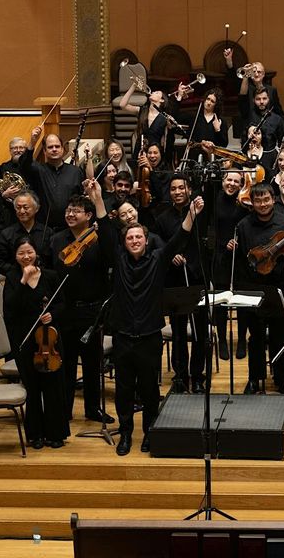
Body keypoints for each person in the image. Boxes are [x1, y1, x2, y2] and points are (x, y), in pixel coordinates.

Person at [86, 179, 202, 455]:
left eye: (139, 237)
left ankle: (149, 431)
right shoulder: (118, 258)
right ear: (124, 242)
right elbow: (104, 228)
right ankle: (126, 433)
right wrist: (98, 198)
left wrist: (191, 214)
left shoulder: (158, 259)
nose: (135, 241)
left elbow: (179, 239)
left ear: (146, 240)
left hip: (150, 336)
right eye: (130, 238)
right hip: (124, 336)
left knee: (150, 390)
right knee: (124, 390)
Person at [47, 194, 112, 425]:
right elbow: (50, 271)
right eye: (68, 210)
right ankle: (64, 410)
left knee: (92, 362)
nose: (70, 214)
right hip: (65, 310)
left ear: (89, 215)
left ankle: (93, 408)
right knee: (66, 362)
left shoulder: (98, 239)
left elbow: (110, 262)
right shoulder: (56, 239)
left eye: (76, 211)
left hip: (91, 310)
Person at [235, 183, 284, 395]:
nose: (263, 204)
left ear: (273, 199)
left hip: (278, 287)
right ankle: (254, 379)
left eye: (266, 199)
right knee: (255, 338)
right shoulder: (243, 226)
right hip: (253, 287)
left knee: (279, 336)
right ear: (252, 202)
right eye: (258, 200)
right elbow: (242, 259)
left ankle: (282, 380)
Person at [4, 237, 68, 448]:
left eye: (29, 252)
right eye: (21, 253)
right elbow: (10, 309)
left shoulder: (50, 276)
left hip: (49, 339)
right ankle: (35, 434)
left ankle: (55, 434)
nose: (26, 256)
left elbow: (61, 304)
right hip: (24, 339)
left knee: (52, 386)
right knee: (32, 388)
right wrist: (23, 281)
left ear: (36, 253)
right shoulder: (12, 278)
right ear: (15, 256)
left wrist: (52, 314)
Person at [154, 175, 208, 394]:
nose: (177, 192)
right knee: (178, 331)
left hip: (197, 277)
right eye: (173, 189)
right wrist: (172, 256)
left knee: (200, 331)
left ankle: (198, 376)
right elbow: (161, 245)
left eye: (181, 188)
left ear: (189, 190)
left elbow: (203, 243)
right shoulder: (162, 217)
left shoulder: (200, 212)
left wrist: (191, 261)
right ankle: (181, 376)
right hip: (174, 279)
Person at [206, 169, 249, 360]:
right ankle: (222, 340)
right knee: (221, 301)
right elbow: (212, 228)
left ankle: (242, 340)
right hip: (220, 255)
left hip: (240, 256)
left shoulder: (244, 201)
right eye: (228, 180)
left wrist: (238, 241)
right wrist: (224, 245)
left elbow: (248, 225)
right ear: (223, 180)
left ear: (241, 185)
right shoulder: (215, 199)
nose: (231, 184)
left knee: (242, 300)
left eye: (236, 181)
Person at [21, 125, 85, 228]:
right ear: (44, 151)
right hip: (44, 228)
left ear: (63, 149)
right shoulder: (37, 170)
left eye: (57, 146)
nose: (54, 149)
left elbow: (81, 198)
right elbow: (23, 164)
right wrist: (32, 142)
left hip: (70, 226)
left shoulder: (75, 172)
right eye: (50, 147)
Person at [0, 189, 55, 279]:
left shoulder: (48, 232)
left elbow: (52, 261)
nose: (22, 211)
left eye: (26, 207)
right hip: (15, 280)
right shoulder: (6, 234)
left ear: (37, 208)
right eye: (18, 208)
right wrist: (19, 271)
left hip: (43, 279)